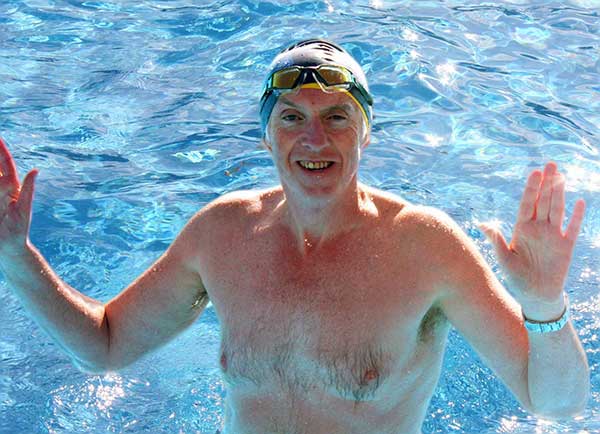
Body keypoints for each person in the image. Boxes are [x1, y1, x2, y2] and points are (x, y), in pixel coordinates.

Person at [0, 39, 589, 434]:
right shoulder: (221, 235)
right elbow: (106, 347)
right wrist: (15, 258)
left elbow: (555, 402)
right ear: (266, 135)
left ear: (365, 135)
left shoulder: (424, 247)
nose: (314, 140)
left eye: (337, 116)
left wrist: (543, 304)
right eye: (291, 117)